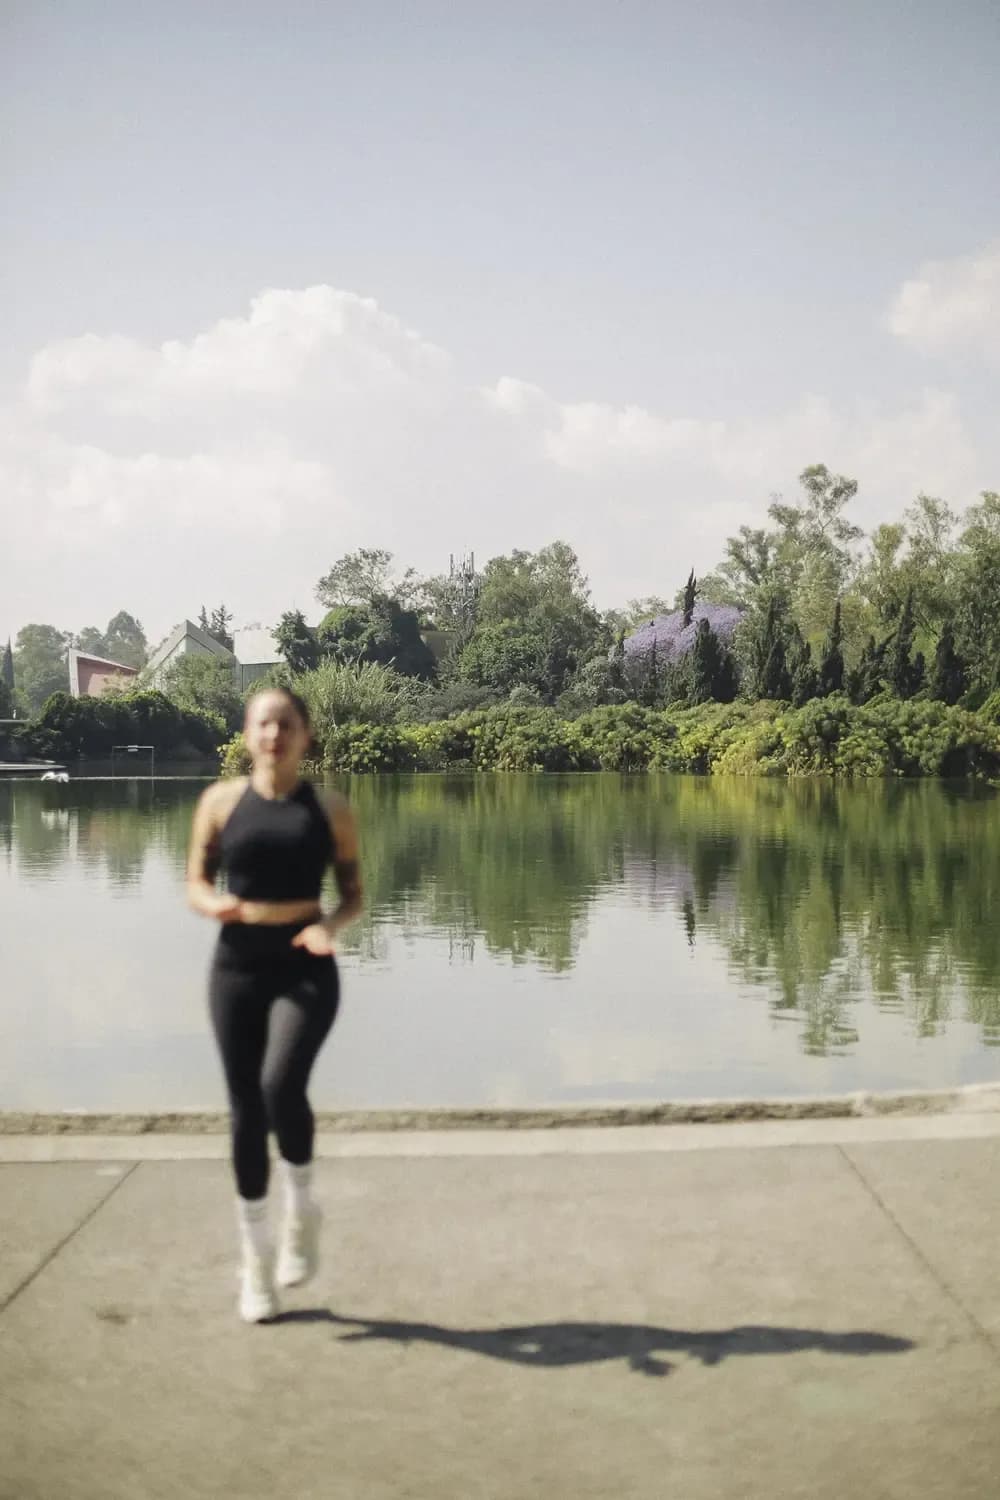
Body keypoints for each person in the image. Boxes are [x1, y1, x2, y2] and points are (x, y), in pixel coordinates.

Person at [186, 686, 362, 1323]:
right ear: (247, 733)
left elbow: (354, 894)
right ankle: (255, 1266)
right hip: (236, 964)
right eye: (264, 724)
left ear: (306, 735)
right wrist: (215, 906)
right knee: (243, 1111)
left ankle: (302, 1209)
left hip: (305, 963)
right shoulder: (220, 802)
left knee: (280, 1085)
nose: (274, 734)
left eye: (287, 724)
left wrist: (330, 929)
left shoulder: (330, 808)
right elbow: (196, 881)